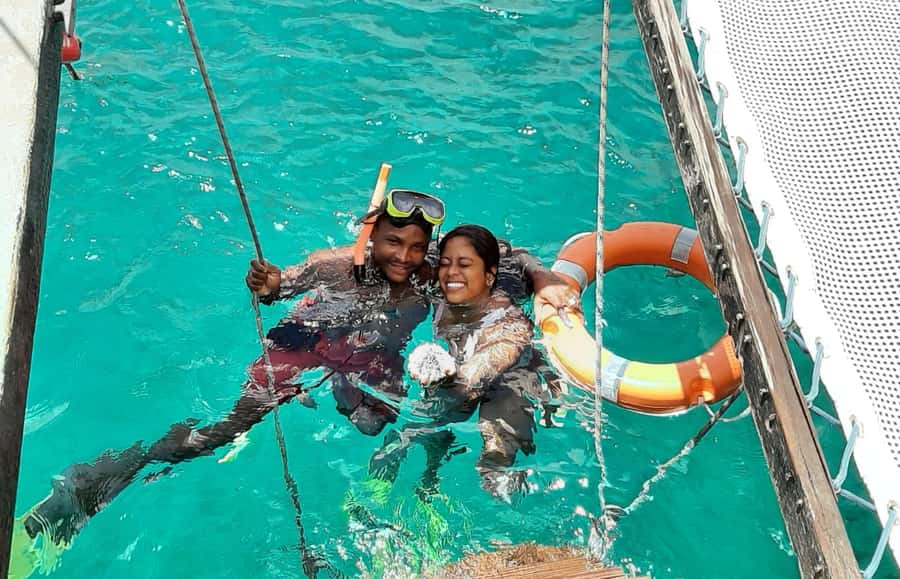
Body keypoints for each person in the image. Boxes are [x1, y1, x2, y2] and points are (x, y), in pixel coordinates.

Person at [18, 190, 578, 549]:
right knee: (232, 424)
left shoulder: (434, 270)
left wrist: (545, 276)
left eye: (415, 246)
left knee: (375, 425)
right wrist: (269, 285)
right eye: (391, 242)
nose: (403, 257)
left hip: (368, 355)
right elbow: (283, 282)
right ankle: (96, 481)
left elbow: (502, 254)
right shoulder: (337, 265)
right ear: (370, 233)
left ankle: (331, 398)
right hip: (308, 340)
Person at [368, 224, 547, 501]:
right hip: (460, 370)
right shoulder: (437, 287)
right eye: (446, 264)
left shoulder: (509, 322)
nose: (451, 272)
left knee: (496, 455)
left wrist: (451, 377)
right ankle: (429, 465)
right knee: (432, 419)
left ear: (489, 277)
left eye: (465, 265)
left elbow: (499, 353)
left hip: (513, 378)